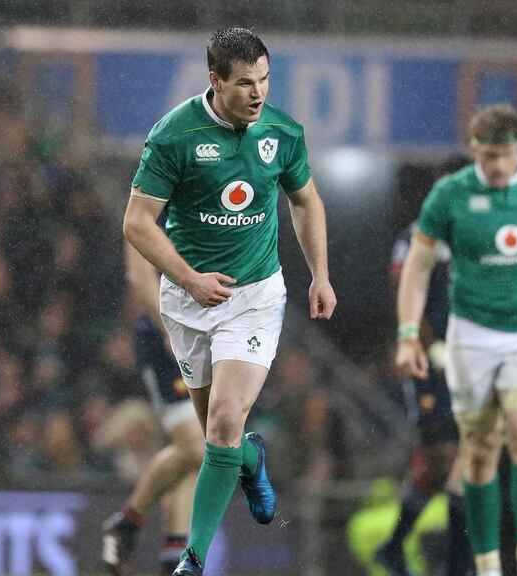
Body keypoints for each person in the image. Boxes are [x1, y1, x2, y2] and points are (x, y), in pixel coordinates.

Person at [122, 27, 336, 576]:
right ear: (214, 81)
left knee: (220, 422)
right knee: (220, 436)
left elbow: (306, 202)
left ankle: (191, 561)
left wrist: (320, 275)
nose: (259, 93)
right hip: (189, 301)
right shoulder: (174, 134)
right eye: (245, 84)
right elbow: (137, 224)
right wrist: (189, 278)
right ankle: (250, 458)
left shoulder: (283, 133)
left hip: (256, 297)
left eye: (265, 80)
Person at [395, 104, 517, 576]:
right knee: (479, 449)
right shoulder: (450, 194)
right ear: (475, 150)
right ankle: (485, 565)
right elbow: (417, 266)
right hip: (471, 337)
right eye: (487, 157)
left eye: (504, 156)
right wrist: (406, 333)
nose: (497, 167)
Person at [377, 154, 474, 576]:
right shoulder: (420, 235)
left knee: (462, 463)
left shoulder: (477, 236)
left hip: (471, 363)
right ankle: (410, 548)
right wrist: (423, 341)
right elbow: (404, 290)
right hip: (429, 364)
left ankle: (450, 559)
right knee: (445, 460)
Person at [102, 243, 206, 576]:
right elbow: (139, 274)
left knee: (194, 456)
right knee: (196, 448)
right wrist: (168, 328)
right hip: (169, 341)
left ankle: (169, 556)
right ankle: (127, 523)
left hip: (208, 333)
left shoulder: (225, 208)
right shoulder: (156, 203)